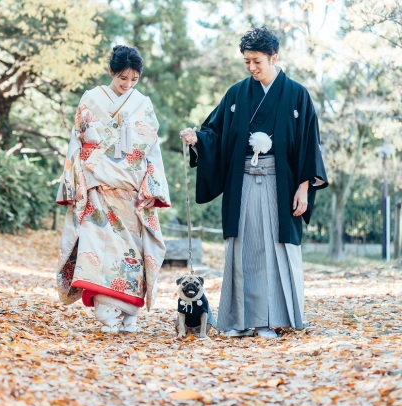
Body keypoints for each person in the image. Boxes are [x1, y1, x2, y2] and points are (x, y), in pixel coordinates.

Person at [179, 27, 328, 339]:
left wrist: (303, 187)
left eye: (257, 61)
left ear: (274, 57)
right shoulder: (237, 94)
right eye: (247, 61)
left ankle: (269, 320)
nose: (251, 67)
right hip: (243, 181)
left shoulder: (296, 94)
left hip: (281, 184)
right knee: (243, 249)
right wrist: (198, 140)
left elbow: (308, 144)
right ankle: (239, 320)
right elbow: (215, 132)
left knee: (275, 249)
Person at [56, 45, 171, 333]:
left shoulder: (142, 104)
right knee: (98, 251)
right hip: (97, 188)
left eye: (134, 79)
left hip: (131, 191)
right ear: (111, 71)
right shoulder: (91, 99)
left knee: (131, 255)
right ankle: (106, 314)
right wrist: (76, 181)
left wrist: (152, 187)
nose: (127, 84)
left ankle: (130, 314)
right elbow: (77, 143)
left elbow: (151, 149)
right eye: (122, 78)